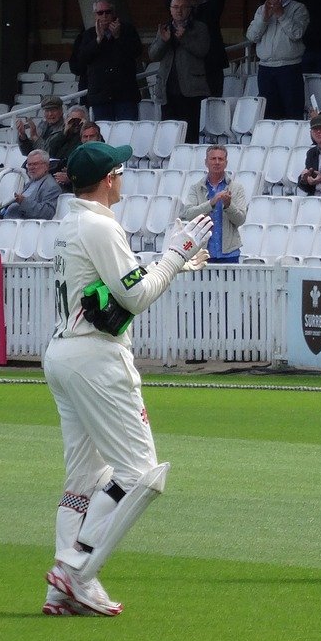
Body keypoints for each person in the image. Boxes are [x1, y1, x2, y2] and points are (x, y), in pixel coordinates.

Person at [41, 141, 213, 617]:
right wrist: (175, 255)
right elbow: (136, 298)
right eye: (120, 171)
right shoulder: (98, 225)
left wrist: (169, 264)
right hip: (96, 358)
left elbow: (117, 288)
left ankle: (61, 587)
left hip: (64, 352)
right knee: (141, 475)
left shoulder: (73, 222)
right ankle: (77, 571)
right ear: (110, 178)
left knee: (82, 479)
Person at [150, 0, 211, 144]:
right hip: (167, 89)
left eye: (183, 7)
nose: (179, 11)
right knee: (169, 132)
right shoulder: (164, 28)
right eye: (175, 7)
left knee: (189, 132)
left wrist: (184, 38)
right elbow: (153, 55)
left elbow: (203, 50)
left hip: (190, 89)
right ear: (170, 10)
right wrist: (163, 42)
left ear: (190, 10)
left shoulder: (199, 27)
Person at [70, 0, 143, 121]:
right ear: (95, 15)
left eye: (107, 12)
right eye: (100, 13)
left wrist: (118, 37)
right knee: (104, 133)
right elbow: (80, 61)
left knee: (126, 132)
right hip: (101, 96)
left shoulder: (127, 30)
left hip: (125, 94)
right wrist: (98, 40)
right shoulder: (88, 34)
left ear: (113, 13)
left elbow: (136, 52)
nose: (104, 16)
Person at [246, 0, 309, 120]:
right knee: (269, 114)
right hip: (266, 68)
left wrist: (281, 14)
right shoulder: (262, 9)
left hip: (289, 67)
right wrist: (264, 19)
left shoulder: (298, 8)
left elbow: (297, 33)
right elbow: (251, 37)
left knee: (293, 112)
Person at [180, 145, 247, 263]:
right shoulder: (196, 188)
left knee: (230, 282)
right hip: (202, 252)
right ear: (206, 162)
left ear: (226, 163)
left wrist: (228, 205)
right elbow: (189, 214)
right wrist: (211, 203)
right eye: (213, 159)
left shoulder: (237, 188)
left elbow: (240, 220)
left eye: (220, 159)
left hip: (229, 253)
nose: (217, 162)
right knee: (202, 283)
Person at [169, 0, 229, 97]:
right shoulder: (179, 12)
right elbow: (169, 1)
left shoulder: (209, 10)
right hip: (190, 68)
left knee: (213, 102)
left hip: (211, 64)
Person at [4, 150, 62, 221]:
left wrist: (22, 201)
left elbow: (47, 213)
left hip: (25, 227)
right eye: (29, 164)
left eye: (35, 164)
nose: (31, 167)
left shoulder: (52, 186)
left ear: (46, 166)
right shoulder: (31, 182)